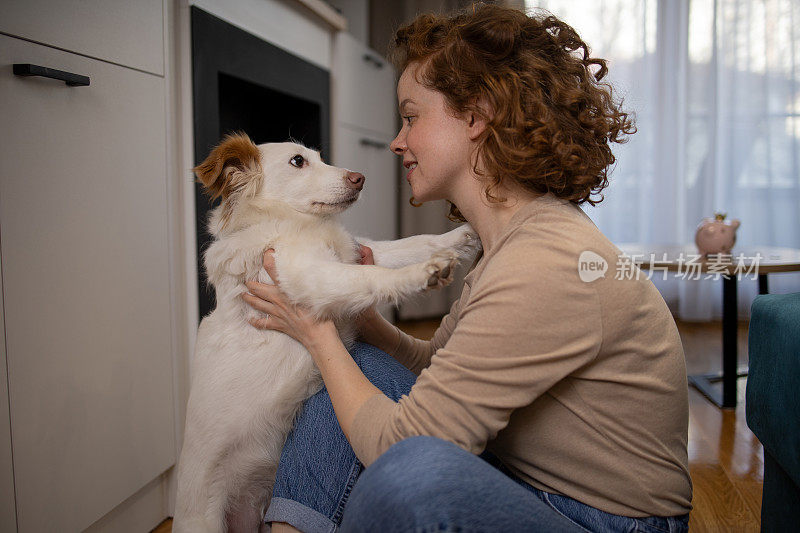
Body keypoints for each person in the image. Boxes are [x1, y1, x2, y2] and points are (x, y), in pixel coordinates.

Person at [241, 4, 693, 532]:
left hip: (602, 520)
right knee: (352, 364)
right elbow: (439, 366)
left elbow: (402, 446)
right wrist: (360, 323)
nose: (397, 141)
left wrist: (318, 332)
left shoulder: (544, 261)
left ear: (476, 115)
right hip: (535, 483)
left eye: (411, 117)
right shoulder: (510, 240)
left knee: (409, 478)